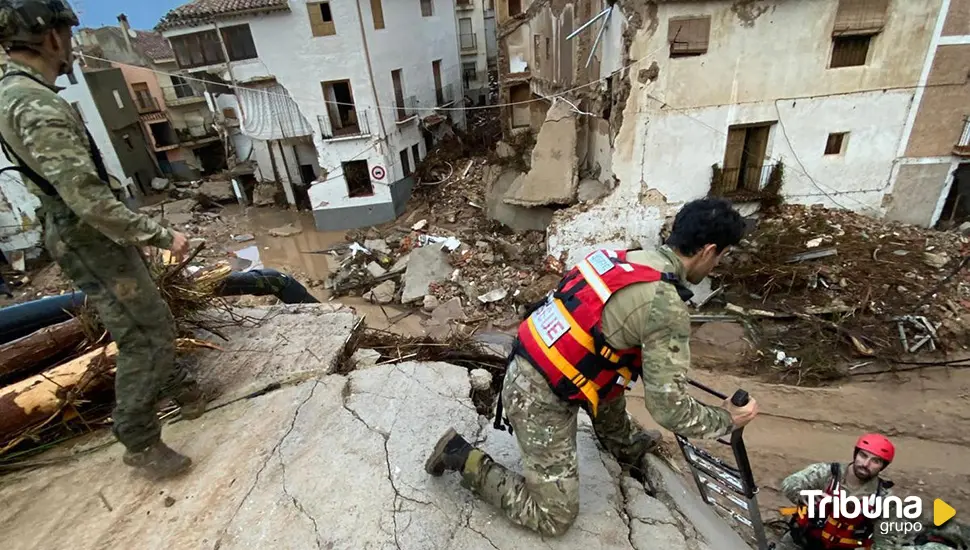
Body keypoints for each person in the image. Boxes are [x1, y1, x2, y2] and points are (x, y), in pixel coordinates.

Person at [425, 197, 759, 536]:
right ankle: (460, 456)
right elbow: (668, 409)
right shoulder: (665, 303)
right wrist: (725, 419)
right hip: (538, 397)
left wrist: (627, 440)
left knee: (614, 362)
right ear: (709, 251)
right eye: (721, 256)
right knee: (554, 517)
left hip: (533, 366)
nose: (717, 265)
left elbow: (607, 356)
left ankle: (622, 443)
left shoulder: (625, 260)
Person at [0, 0, 203, 481]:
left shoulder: (17, 93)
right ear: (49, 36)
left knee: (148, 319)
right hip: (89, 236)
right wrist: (161, 234)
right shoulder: (34, 103)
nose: (69, 44)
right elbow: (86, 199)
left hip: (88, 234)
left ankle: (184, 390)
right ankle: (139, 439)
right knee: (144, 336)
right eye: (67, 34)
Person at [777, 434, 898, 550]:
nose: (865, 464)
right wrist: (804, 495)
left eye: (875, 461)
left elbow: (884, 539)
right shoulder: (828, 473)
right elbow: (790, 483)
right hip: (799, 542)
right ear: (856, 454)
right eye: (863, 455)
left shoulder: (884, 498)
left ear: (882, 466)